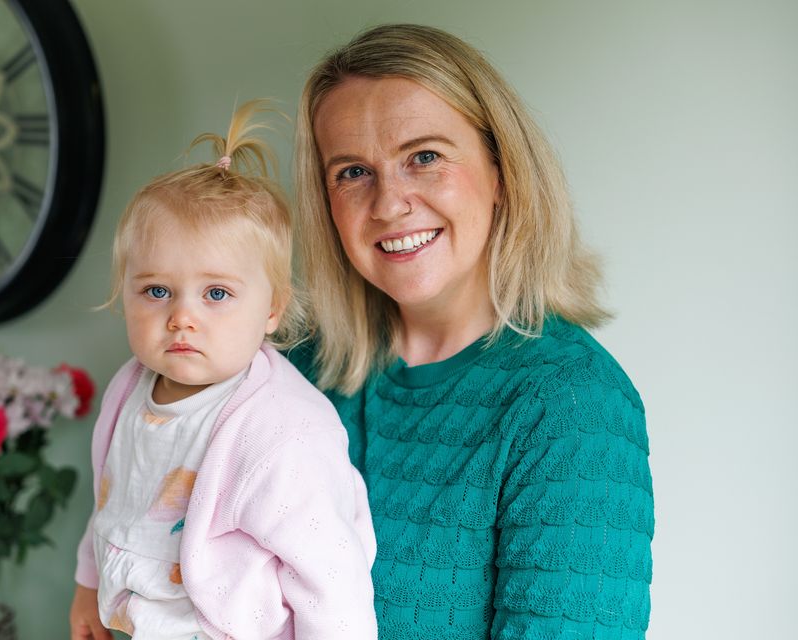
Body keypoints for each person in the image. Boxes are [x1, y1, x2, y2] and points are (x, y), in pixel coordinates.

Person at [289, 24, 654, 640]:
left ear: (501, 172)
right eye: (352, 172)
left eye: (424, 157)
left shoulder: (572, 404)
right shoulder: (291, 373)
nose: (388, 203)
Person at [69, 100, 377, 640]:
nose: (182, 316)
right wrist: (87, 589)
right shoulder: (129, 388)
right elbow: (110, 501)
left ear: (272, 309)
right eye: (156, 290)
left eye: (217, 293)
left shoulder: (281, 428)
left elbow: (330, 579)